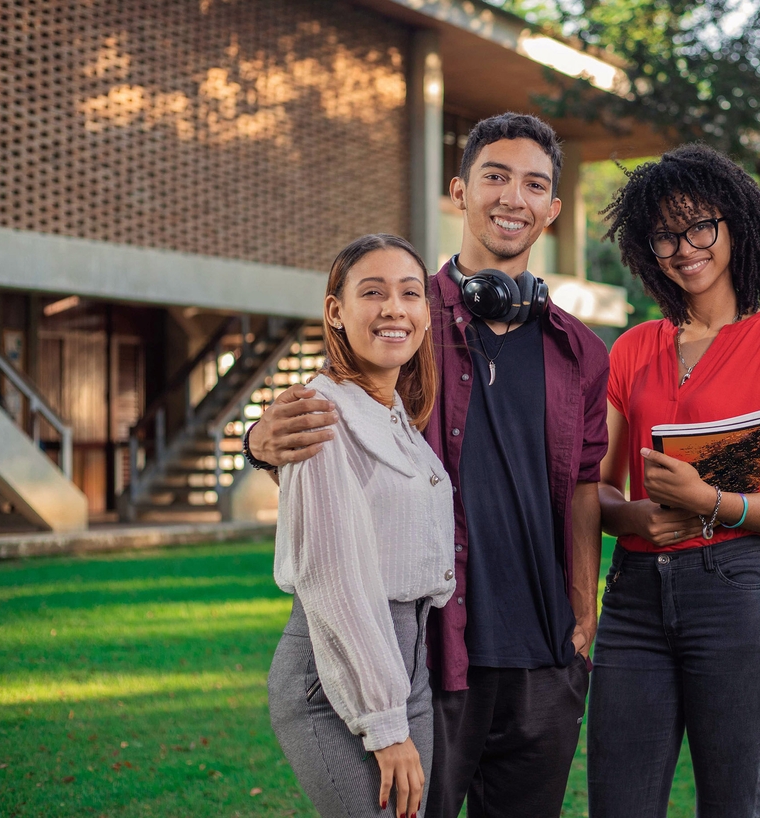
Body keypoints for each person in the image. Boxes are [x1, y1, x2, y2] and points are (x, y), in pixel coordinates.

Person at [248, 113, 608, 818]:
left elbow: (584, 486)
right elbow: (333, 427)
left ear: (554, 210)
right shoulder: (404, 320)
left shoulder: (581, 353)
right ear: (459, 191)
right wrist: (259, 442)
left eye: (534, 185)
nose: (513, 198)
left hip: (545, 658)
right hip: (432, 658)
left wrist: (584, 607)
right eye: (494, 177)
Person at [588, 144, 760, 818]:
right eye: (664, 234)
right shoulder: (632, 349)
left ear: (734, 225)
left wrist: (709, 501)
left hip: (736, 594)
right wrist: (634, 518)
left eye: (699, 225)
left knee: (729, 804)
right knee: (619, 805)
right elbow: (596, 488)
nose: (683, 247)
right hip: (633, 600)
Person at [266, 234, 452, 818]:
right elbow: (335, 582)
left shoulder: (391, 411)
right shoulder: (320, 414)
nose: (394, 308)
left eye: (410, 293)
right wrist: (384, 723)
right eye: (372, 293)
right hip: (341, 677)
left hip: (404, 669)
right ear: (336, 312)